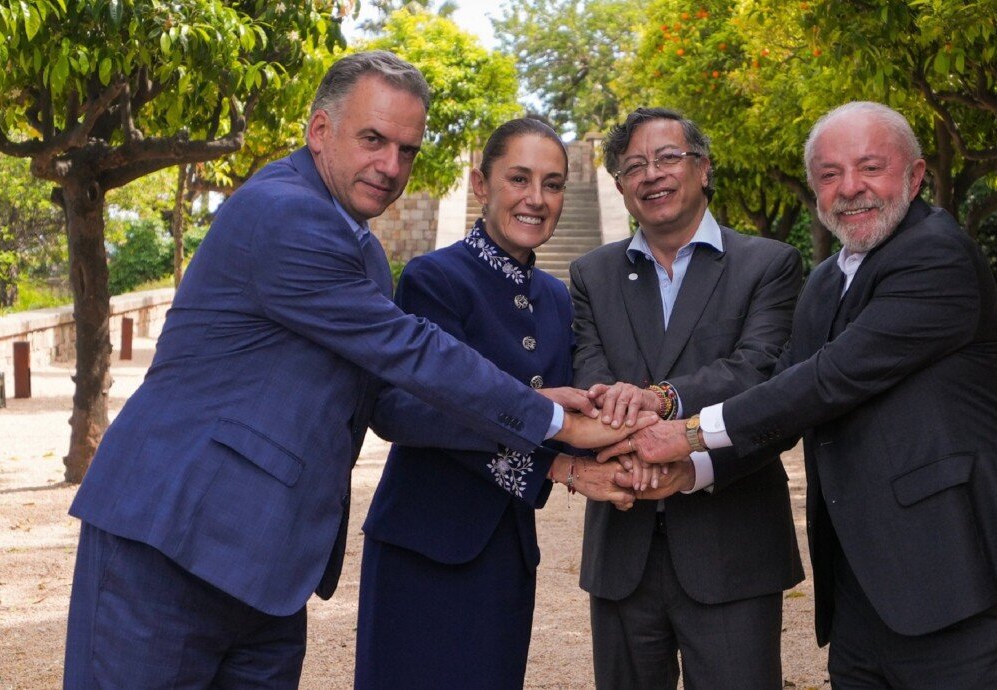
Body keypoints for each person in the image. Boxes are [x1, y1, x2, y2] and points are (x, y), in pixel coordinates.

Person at [63, 52, 640, 688]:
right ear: (319, 131)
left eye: (407, 150)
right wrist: (552, 421)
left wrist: (554, 436)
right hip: (170, 542)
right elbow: (411, 350)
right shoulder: (285, 213)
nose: (390, 167)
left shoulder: (363, 252)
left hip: (271, 569)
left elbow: (391, 402)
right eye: (372, 140)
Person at [604, 101, 997, 689]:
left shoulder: (937, 254)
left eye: (870, 168)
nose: (850, 189)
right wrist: (691, 471)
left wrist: (685, 431)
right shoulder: (825, 281)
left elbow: (829, 380)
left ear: (915, 176)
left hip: (963, 578)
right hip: (864, 593)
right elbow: (781, 396)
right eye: (828, 175)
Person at [353, 117, 636, 689]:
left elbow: (566, 416)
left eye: (553, 184)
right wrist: (559, 466)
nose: (537, 199)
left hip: (506, 551)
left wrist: (629, 423)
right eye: (520, 179)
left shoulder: (557, 298)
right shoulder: (436, 278)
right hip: (424, 543)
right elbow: (406, 413)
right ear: (481, 186)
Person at [571, 107, 806, 689]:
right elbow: (591, 379)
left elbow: (758, 374)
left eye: (668, 157)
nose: (652, 174)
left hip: (733, 543)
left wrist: (663, 401)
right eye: (633, 166)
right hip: (622, 544)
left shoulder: (768, 265)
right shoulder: (590, 275)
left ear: (703, 169)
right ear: (622, 187)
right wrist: (627, 445)